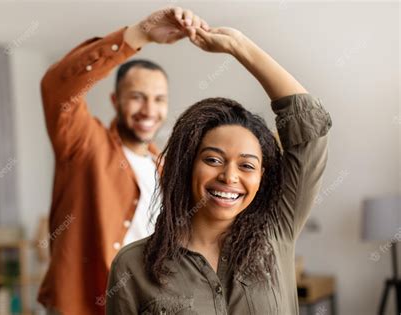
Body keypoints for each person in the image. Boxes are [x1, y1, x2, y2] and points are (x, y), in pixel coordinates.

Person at [106, 9, 332, 315]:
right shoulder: (132, 265)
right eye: (213, 159)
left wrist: (238, 46)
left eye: (247, 165)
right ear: (187, 165)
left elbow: (310, 126)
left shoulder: (276, 232)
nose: (229, 176)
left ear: (261, 176)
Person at [38, 6, 210, 315]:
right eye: (137, 97)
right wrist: (140, 33)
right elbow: (57, 86)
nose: (149, 110)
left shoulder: (166, 167)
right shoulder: (84, 143)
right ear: (116, 100)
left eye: (159, 99)